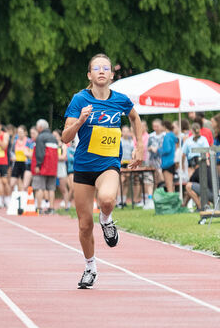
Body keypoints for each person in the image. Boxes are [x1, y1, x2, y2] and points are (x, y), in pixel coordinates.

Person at [60, 53, 146, 290]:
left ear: (111, 74)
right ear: (89, 74)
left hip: (109, 163)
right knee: (84, 225)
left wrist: (139, 147)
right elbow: (65, 137)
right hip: (83, 167)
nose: (101, 71)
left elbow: (135, 117)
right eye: (96, 68)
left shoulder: (120, 99)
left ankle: (107, 220)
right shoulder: (79, 100)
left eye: (105, 68)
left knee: (107, 200)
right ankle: (90, 267)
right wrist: (80, 121)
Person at [32, 120, 60, 213]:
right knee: (51, 188)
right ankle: (51, 208)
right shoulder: (53, 137)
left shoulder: (40, 137)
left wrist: (38, 165)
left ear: (40, 127)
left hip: (43, 166)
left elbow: (40, 152)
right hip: (53, 167)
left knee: (40, 187)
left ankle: (39, 208)